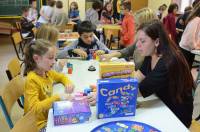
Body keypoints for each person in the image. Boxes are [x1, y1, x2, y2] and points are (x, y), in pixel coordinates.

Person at [89, 20, 194, 128]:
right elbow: (136, 77)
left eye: (142, 41)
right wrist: (106, 86)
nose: (138, 46)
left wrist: (104, 94)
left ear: (157, 41)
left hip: (176, 116)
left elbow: (136, 90)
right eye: (138, 41)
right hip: (160, 104)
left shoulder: (168, 62)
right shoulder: (152, 54)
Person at [23, 39, 74, 131]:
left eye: (54, 58)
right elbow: (34, 109)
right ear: (36, 58)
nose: (54, 62)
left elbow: (61, 77)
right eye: (50, 58)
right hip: (38, 124)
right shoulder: (32, 80)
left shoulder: (46, 72)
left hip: (48, 115)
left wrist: (68, 83)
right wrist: (57, 97)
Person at [179, 2, 200, 69]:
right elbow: (190, 37)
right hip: (186, 50)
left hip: (187, 49)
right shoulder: (196, 19)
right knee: (185, 72)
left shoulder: (195, 18)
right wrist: (195, 46)